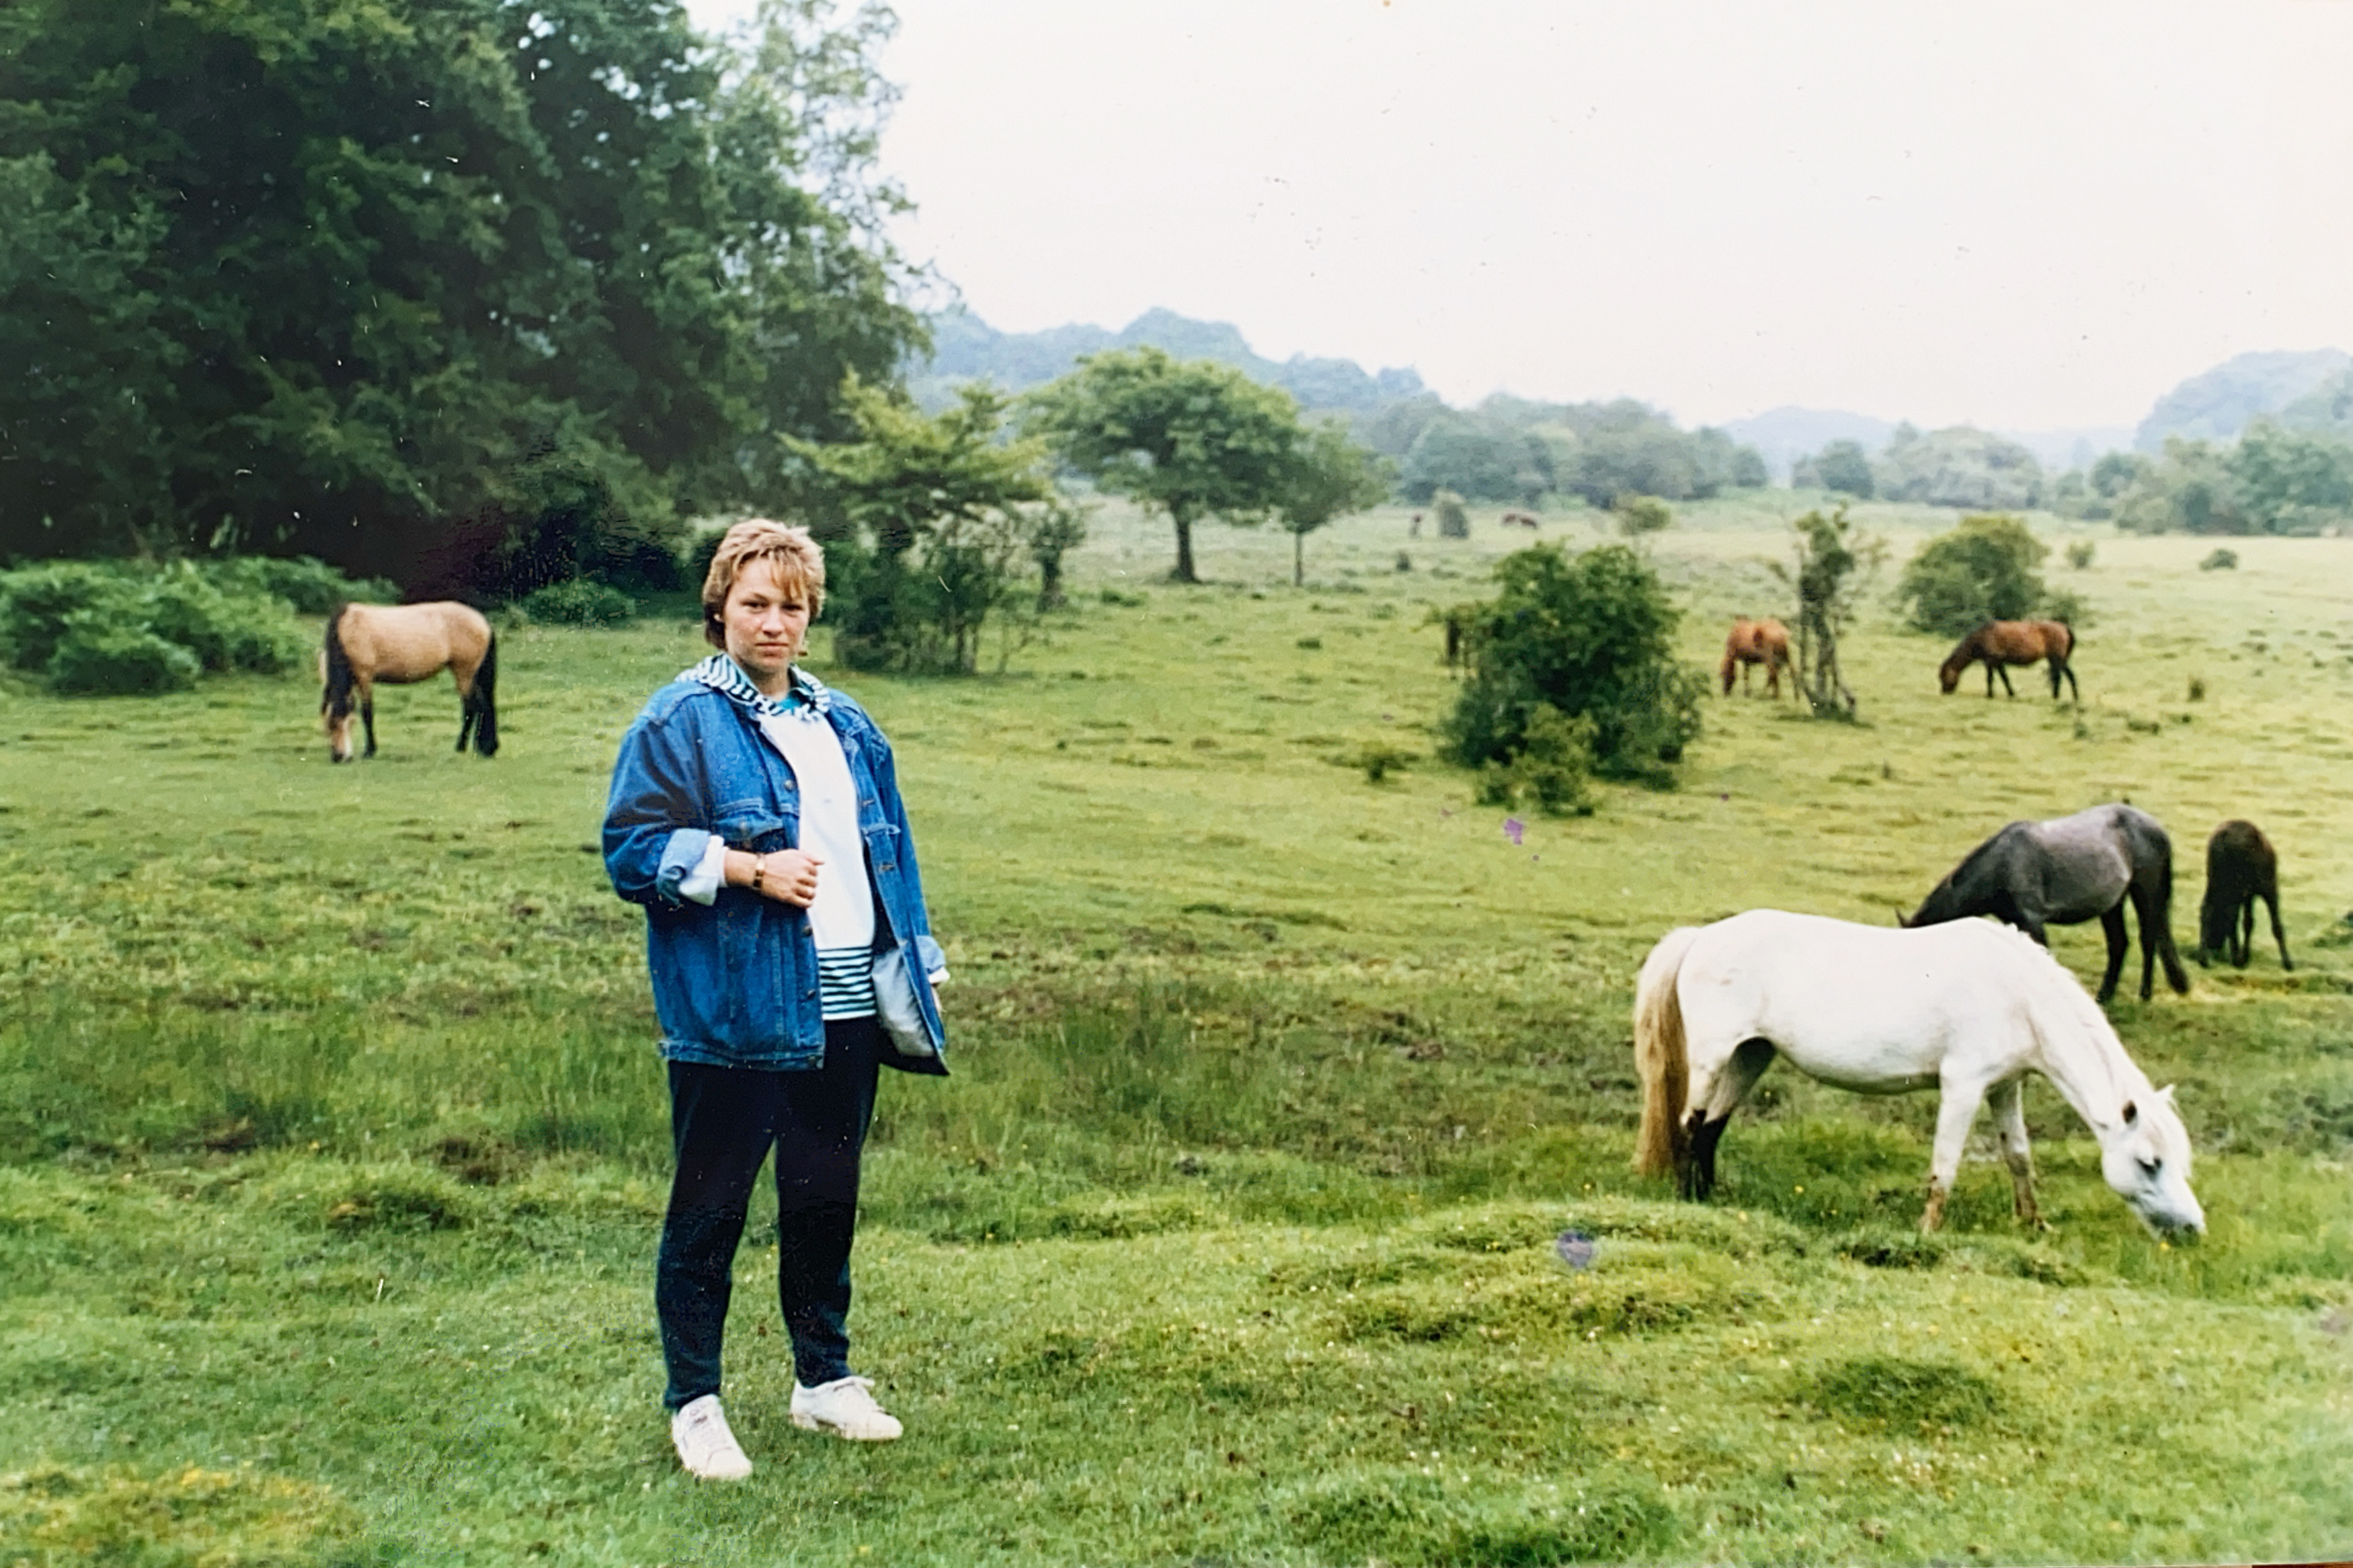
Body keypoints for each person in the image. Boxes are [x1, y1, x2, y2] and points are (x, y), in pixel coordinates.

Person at [602, 519, 948, 1481]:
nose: (774, 623)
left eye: (792, 606)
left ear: (810, 615)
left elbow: (891, 850)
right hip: (735, 1010)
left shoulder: (848, 725)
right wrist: (749, 868)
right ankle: (695, 1403)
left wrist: (914, 956)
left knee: (824, 1195)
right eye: (755, 603)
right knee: (709, 1208)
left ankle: (823, 1380)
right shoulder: (679, 720)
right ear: (719, 609)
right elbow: (630, 851)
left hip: (846, 1007)